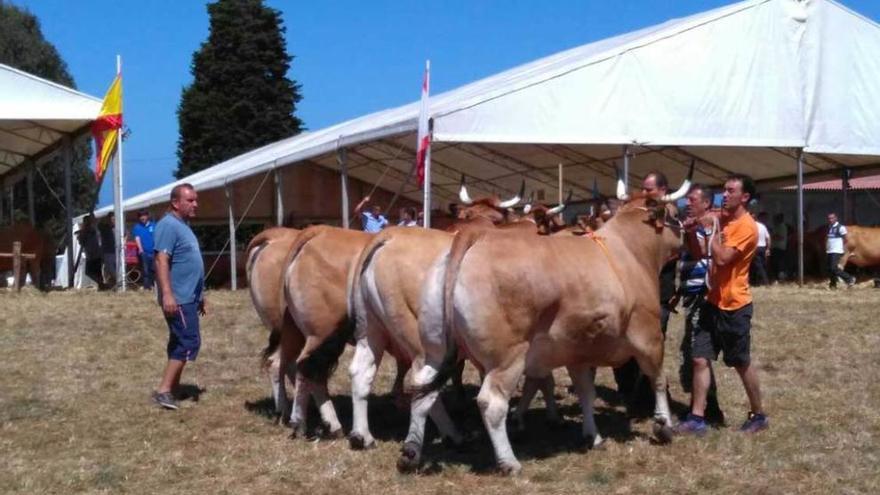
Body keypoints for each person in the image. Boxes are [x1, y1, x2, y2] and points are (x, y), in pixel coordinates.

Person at [678, 174, 768, 435]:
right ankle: (697, 418)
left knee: (740, 362)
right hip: (712, 301)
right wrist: (695, 224)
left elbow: (722, 257)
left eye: (730, 191)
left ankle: (758, 414)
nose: (724, 195)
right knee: (699, 358)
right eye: (724, 190)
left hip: (734, 305)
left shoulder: (746, 227)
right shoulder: (724, 217)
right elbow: (707, 221)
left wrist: (712, 230)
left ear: (745, 197)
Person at [614, 170, 676, 411]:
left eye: (649, 189)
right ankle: (633, 395)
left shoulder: (668, 213)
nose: (644, 193)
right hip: (635, 290)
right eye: (643, 188)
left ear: (663, 190)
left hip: (659, 291)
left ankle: (652, 399)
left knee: (650, 346)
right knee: (628, 346)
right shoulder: (641, 212)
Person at [151, 183, 206, 410]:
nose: (195, 204)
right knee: (189, 342)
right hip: (178, 298)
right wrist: (167, 295)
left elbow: (188, 262)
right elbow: (160, 260)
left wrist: (200, 294)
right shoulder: (168, 226)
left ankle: (172, 387)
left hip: (189, 297)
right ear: (175, 202)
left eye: (195, 200)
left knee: (178, 342)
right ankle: (164, 391)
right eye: (190, 200)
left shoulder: (183, 226)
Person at [678, 184, 724, 424]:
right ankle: (707, 406)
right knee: (693, 354)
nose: (688, 203)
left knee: (698, 355)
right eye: (687, 199)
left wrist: (689, 233)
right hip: (691, 295)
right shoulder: (694, 225)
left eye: (693, 199)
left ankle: (705, 410)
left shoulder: (710, 224)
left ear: (706, 203)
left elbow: (700, 254)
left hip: (702, 297)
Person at [826, 212, 855, 289]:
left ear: (836, 218)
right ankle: (833, 285)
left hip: (836, 250)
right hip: (830, 250)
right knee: (830, 269)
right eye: (829, 218)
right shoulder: (829, 227)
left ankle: (849, 278)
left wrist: (841, 247)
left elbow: (846, 239)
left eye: (832, 218)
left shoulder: (841, 227)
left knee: (833, 268)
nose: (830, 220)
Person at [77, 214, 106, 290]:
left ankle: (101, 284)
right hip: (91, 253)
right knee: (93, 272)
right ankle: (101, 285)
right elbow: (81, 241)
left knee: (91, 272)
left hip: (94, 254)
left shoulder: (92, 230)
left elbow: (94, 241)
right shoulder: (88, 231)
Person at [132, 209, 157, 290]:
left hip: (153, 251)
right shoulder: (137, 227)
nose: (142, 218)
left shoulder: (154, 225)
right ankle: (147, 286)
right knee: (145, 270)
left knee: (153, 269)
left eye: (144, 216)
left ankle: (153, 285)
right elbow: (137, 238)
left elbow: (157, 237)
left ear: (147, 216)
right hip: (144, 252)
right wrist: (141, 249)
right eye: (141, 216)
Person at [750, 212, 771, 286]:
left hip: (755, 248)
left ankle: (765, 282)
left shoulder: (751, 226)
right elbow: (768, 238)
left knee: (758, 266)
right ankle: (756, 282)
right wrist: (768, 249)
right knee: (761, 265)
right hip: (763, 248)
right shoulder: (763, 226)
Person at [98, 212, 117, 288]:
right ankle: (117, 281)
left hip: (117, 251)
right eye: (111, 219)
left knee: (116, 268)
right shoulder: (104, 227)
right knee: (110, 268)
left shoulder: (119, 227)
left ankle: (115, 283)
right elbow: (99, 225)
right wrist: (105, 220)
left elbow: (125, 234)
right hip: (107, 251)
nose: (113, 220)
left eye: (114, 219)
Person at [769, 213, 788, 281]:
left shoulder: (781, 226)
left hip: (779, 248)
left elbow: (781, 237)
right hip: (776, 247)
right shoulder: (777, 226)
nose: (773, 220)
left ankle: (780, 278)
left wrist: (771, 236)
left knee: (779, 263)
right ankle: (778, 277)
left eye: (775, 219)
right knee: (776, 263)